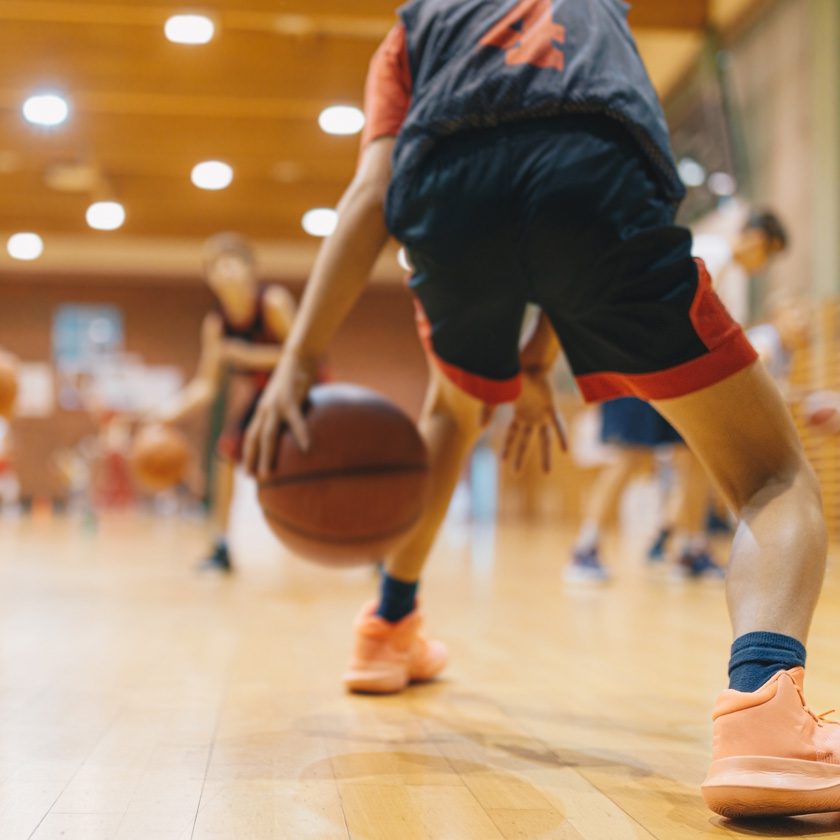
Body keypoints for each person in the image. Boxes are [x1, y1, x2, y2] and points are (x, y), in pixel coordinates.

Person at [245, 0, 834, 818]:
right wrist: (536, 360)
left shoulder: (415, 27)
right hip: (593, 187)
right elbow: (574, 179)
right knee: (772, 474)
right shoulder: (600, 13)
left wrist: (299, 360)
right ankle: (763, 714)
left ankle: (386, 626)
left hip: (448, 200)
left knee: (452, 414)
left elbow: (371, 195)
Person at [571, 210, 791, 582]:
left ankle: (690, 549)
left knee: (696, 458)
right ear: (755, 239)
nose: (763, 265)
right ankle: (585, 549)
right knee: (629, 457)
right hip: (641, 364)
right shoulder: (707, 253)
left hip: (678, 373)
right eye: (767, 254)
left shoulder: (730, 275)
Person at [157, 233, 296, 572]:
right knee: (225, 455)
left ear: (251, 270)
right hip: (265, 395)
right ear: (210, 278)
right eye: (216, 267)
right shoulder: (217, 324)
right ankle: (221, 545)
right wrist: (165, 414)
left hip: (302, 388)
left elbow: (304, 357)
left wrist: (250, 356)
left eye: (232, 263)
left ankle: (376, 550)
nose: (225, 272)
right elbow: (205, 385)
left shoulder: (273, 302)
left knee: (331, 466)